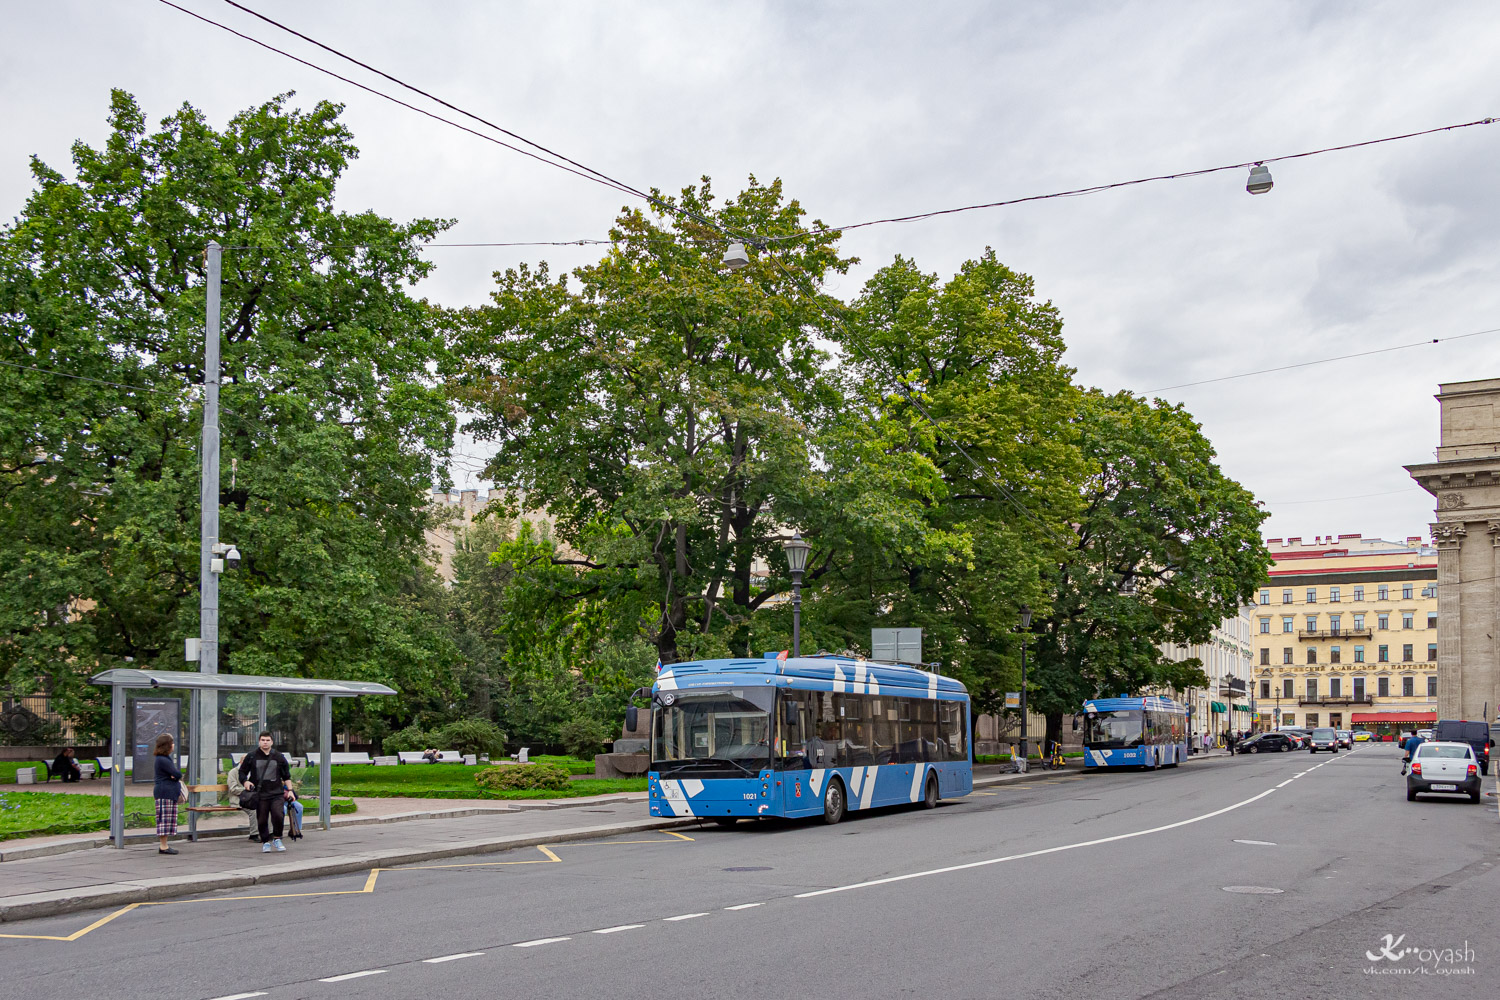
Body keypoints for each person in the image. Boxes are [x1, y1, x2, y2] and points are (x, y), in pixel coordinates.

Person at [237, 732, 293, 853]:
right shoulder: (252, 756)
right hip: (260, 794)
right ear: (259, 741)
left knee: (278, 815)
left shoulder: (279, 757)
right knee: (262, 819)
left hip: (276, 793)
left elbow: (286, 776)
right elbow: (242, 772)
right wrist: (245, 782)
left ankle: (277, 838)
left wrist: (290, 791)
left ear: (272, 742)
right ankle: (266, 842)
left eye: (268, 740)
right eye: (263, 740)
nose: (265, 742)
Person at [152, 733, 185, 855]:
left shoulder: (163, 759)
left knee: (167, 819)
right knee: (164, 820)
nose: (173, 745)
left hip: (167, 792)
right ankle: (163, 846)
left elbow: (174, 774)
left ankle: (164, 845)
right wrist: (174, 776)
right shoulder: (163, 760)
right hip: (164, 792)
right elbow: (177, 774)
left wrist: (173, 776)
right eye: (171, 742)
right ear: (167, 746)